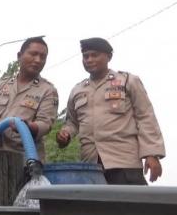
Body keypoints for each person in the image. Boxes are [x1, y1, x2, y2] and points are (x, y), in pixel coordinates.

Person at [56, 38, 165, 184]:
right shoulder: (77, 90)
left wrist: (152, 154)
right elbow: (72, 122)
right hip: (90, 166)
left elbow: (145, 117)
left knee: (130, 206)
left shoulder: (128, 81)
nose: (89, 59)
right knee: (93, 207)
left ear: (109, 57)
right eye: (85, 56)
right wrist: (65, 133)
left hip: (124, 162)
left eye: (94, 55)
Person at [0, 37, 59, 161]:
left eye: (43, 57)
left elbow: (45, 124)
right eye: (33, 54)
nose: (38, 60)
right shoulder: (0, 86)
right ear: (19, 56)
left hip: (25, 162)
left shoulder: (48, 90)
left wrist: (27, 126)